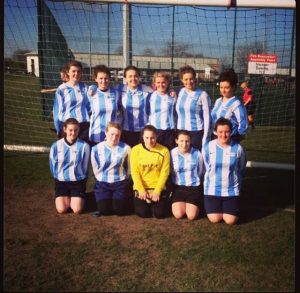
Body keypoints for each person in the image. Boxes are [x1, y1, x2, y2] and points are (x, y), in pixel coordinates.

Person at [202, 117, 247, 225]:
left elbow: (241, 168)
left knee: (230, 221)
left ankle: (231, 206)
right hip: (212, 190)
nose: (223, 135)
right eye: (220, 132)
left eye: (227, 132)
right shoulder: (208, 147)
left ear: (231, 132)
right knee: (215, 219)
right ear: (215, 132)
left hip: (231, 190)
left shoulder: (238, 148)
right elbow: (205, 166)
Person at [49, 118, 91, 214]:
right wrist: (58, 177)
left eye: (76, 130)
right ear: (65, 130)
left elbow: (85, 166)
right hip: (61, 182)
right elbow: (52, 165)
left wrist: (82, 180)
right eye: (70, 130)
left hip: (77, 182)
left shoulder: (84, 146)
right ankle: (66, 196)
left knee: (77, 210)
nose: (73, 133)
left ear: (79, 130)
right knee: (62, 209)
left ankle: (78, 195)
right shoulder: (56, 146)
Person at [91, 122, 131, 216]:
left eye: (117, 135)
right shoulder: (96, 148)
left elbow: (129, 167)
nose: (114, 137)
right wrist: (100, 178)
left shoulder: (126, 148)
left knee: (119, 211)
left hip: (119, 182)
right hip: (103, 183)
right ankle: (95, 196)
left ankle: (124, 198)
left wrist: (126, 178)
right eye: (112, 134)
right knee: (104, 211)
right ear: (106, 133)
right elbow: (95, 167)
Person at [130, 125, 170, 218]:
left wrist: (157, 191)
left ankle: (161, 201)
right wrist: (141, 190)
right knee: (143, 213)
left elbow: (165, 173)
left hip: (156, 187)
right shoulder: (135, 150)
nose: (149, 141)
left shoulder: (164, 150)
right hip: (142, 188)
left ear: (157, 137)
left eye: (152, 138)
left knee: (160, 214)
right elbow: (134, 172)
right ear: (143, 137)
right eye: (147, 138)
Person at [53, 60, 91, 143]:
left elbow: (89, 107)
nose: (76, 74)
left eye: (78, 71)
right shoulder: (61, 89)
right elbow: (56, 111)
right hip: (68, 127)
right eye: (73, 71)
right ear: (68, 72)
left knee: (82, 153)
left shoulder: (85, 88)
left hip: (83, 126)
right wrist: (58, 129)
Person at [170, 130, 204, 220]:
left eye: (187, 141)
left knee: (191, 216)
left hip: (194, 187)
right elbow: (170, 171)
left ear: (190, 141)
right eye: (181, 141)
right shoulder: (172, 153)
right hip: (178, 188)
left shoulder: (197, 153)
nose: (184, 144)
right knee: (178, 215)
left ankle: (197, 202)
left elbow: (201, 171)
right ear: (176, 141)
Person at [175, 65, 211, 150]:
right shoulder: (181, 91)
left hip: (196, 132)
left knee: (194, 158)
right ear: (182, 80)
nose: (189, 82)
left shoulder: (203, 95)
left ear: (195, 78)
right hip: (181, 131)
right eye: (186, 79)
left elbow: (207, 117)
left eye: (191, 79)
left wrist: (205, 137)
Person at [117, 65, 153, 147]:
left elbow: (160, 92)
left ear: (139, 77)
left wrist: (170, 91)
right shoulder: (119, 89)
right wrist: (93, 87)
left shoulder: (147, 90)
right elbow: (105, 89)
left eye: (136, 76)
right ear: (125, 78)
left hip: (143, 131)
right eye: (130, 76)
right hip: (126, 131)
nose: (133, 79)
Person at [87, 65, 121, 146]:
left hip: (112, 136)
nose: (104, 81)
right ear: (96, 79)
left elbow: (120, 110)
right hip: (96, 134)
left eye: (106, 78)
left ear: (109, 79)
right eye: (101, 78)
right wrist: (93, 87)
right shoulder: (91, 93)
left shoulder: (115, 93)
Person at [211, 68, 248, 142]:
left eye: (226, 87)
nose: (223, 90)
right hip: (215, 137)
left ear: (233, 87)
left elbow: (244, 124)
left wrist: (236, 138)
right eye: (221, 87)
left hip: (229, 139)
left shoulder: (236, 104)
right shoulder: (218, 101)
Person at [146, 71, 176, 150]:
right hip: (155, 131)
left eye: (163, 82)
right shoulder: (150, 96)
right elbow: (147, 111)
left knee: (168, 155)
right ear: (154, 83)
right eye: (158, 82)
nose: (161, 85)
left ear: (167, 83)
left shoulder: (172, 96)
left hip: (169, 131)